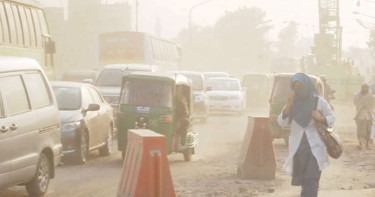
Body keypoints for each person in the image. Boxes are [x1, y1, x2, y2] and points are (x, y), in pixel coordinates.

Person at [278, 73, 335, 197]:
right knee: (303, 179)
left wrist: (320, 118)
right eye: (295, 86)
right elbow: (281, 121)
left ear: (307, 86)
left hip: (315, 146)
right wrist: (288, 104)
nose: (298, 89)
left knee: (312, 178)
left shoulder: (318, 101)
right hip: (298, 148)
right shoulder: (292, 102)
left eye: (301, 85)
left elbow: (331, 117)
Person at [354, 83, 375, 150]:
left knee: (368, 130)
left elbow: (372, 105)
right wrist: (362, 106)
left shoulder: (371, 96)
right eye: (363, 87)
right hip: (360, 115)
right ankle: (360, 143)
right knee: (360, 130)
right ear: (361, 88)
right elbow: (356, 103)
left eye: (366, 87)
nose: (365, 89)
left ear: (368, 88)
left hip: (369, 115)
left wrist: (367, 106)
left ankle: (367, 144)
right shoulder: (357, 96)